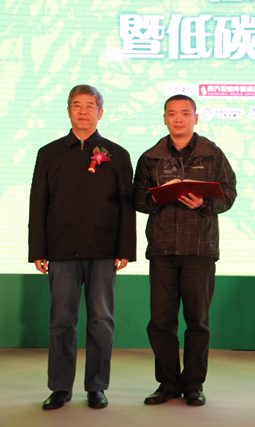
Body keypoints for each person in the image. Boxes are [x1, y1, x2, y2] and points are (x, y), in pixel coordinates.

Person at [29, 84, 136, 410]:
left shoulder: (117, 154)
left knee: (101, 321)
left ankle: (97, 386)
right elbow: (38, 203)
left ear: (100, 113)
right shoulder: (49, 153)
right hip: (61, 250)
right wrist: (38, 250)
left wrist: (125, 249)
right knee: (61, 321)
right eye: (77, 105)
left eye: (90, 106)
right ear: (68, 110)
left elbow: (126, 206)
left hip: (103, 250)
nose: (83, 111)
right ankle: (60, 387)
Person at [133, 95, 237, 407]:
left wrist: (204, 203)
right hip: (162, 249)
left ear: (196, 118)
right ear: (164, 118)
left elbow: (229, 193)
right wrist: (157, 197)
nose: (178, 119)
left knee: (197, 321)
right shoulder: (150, 157)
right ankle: (167, 383)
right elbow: (137, 198)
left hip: (200, 249)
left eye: (184, 113)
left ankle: (193, 384)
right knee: (161, 322)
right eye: (172, 114)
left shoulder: (213, 154)